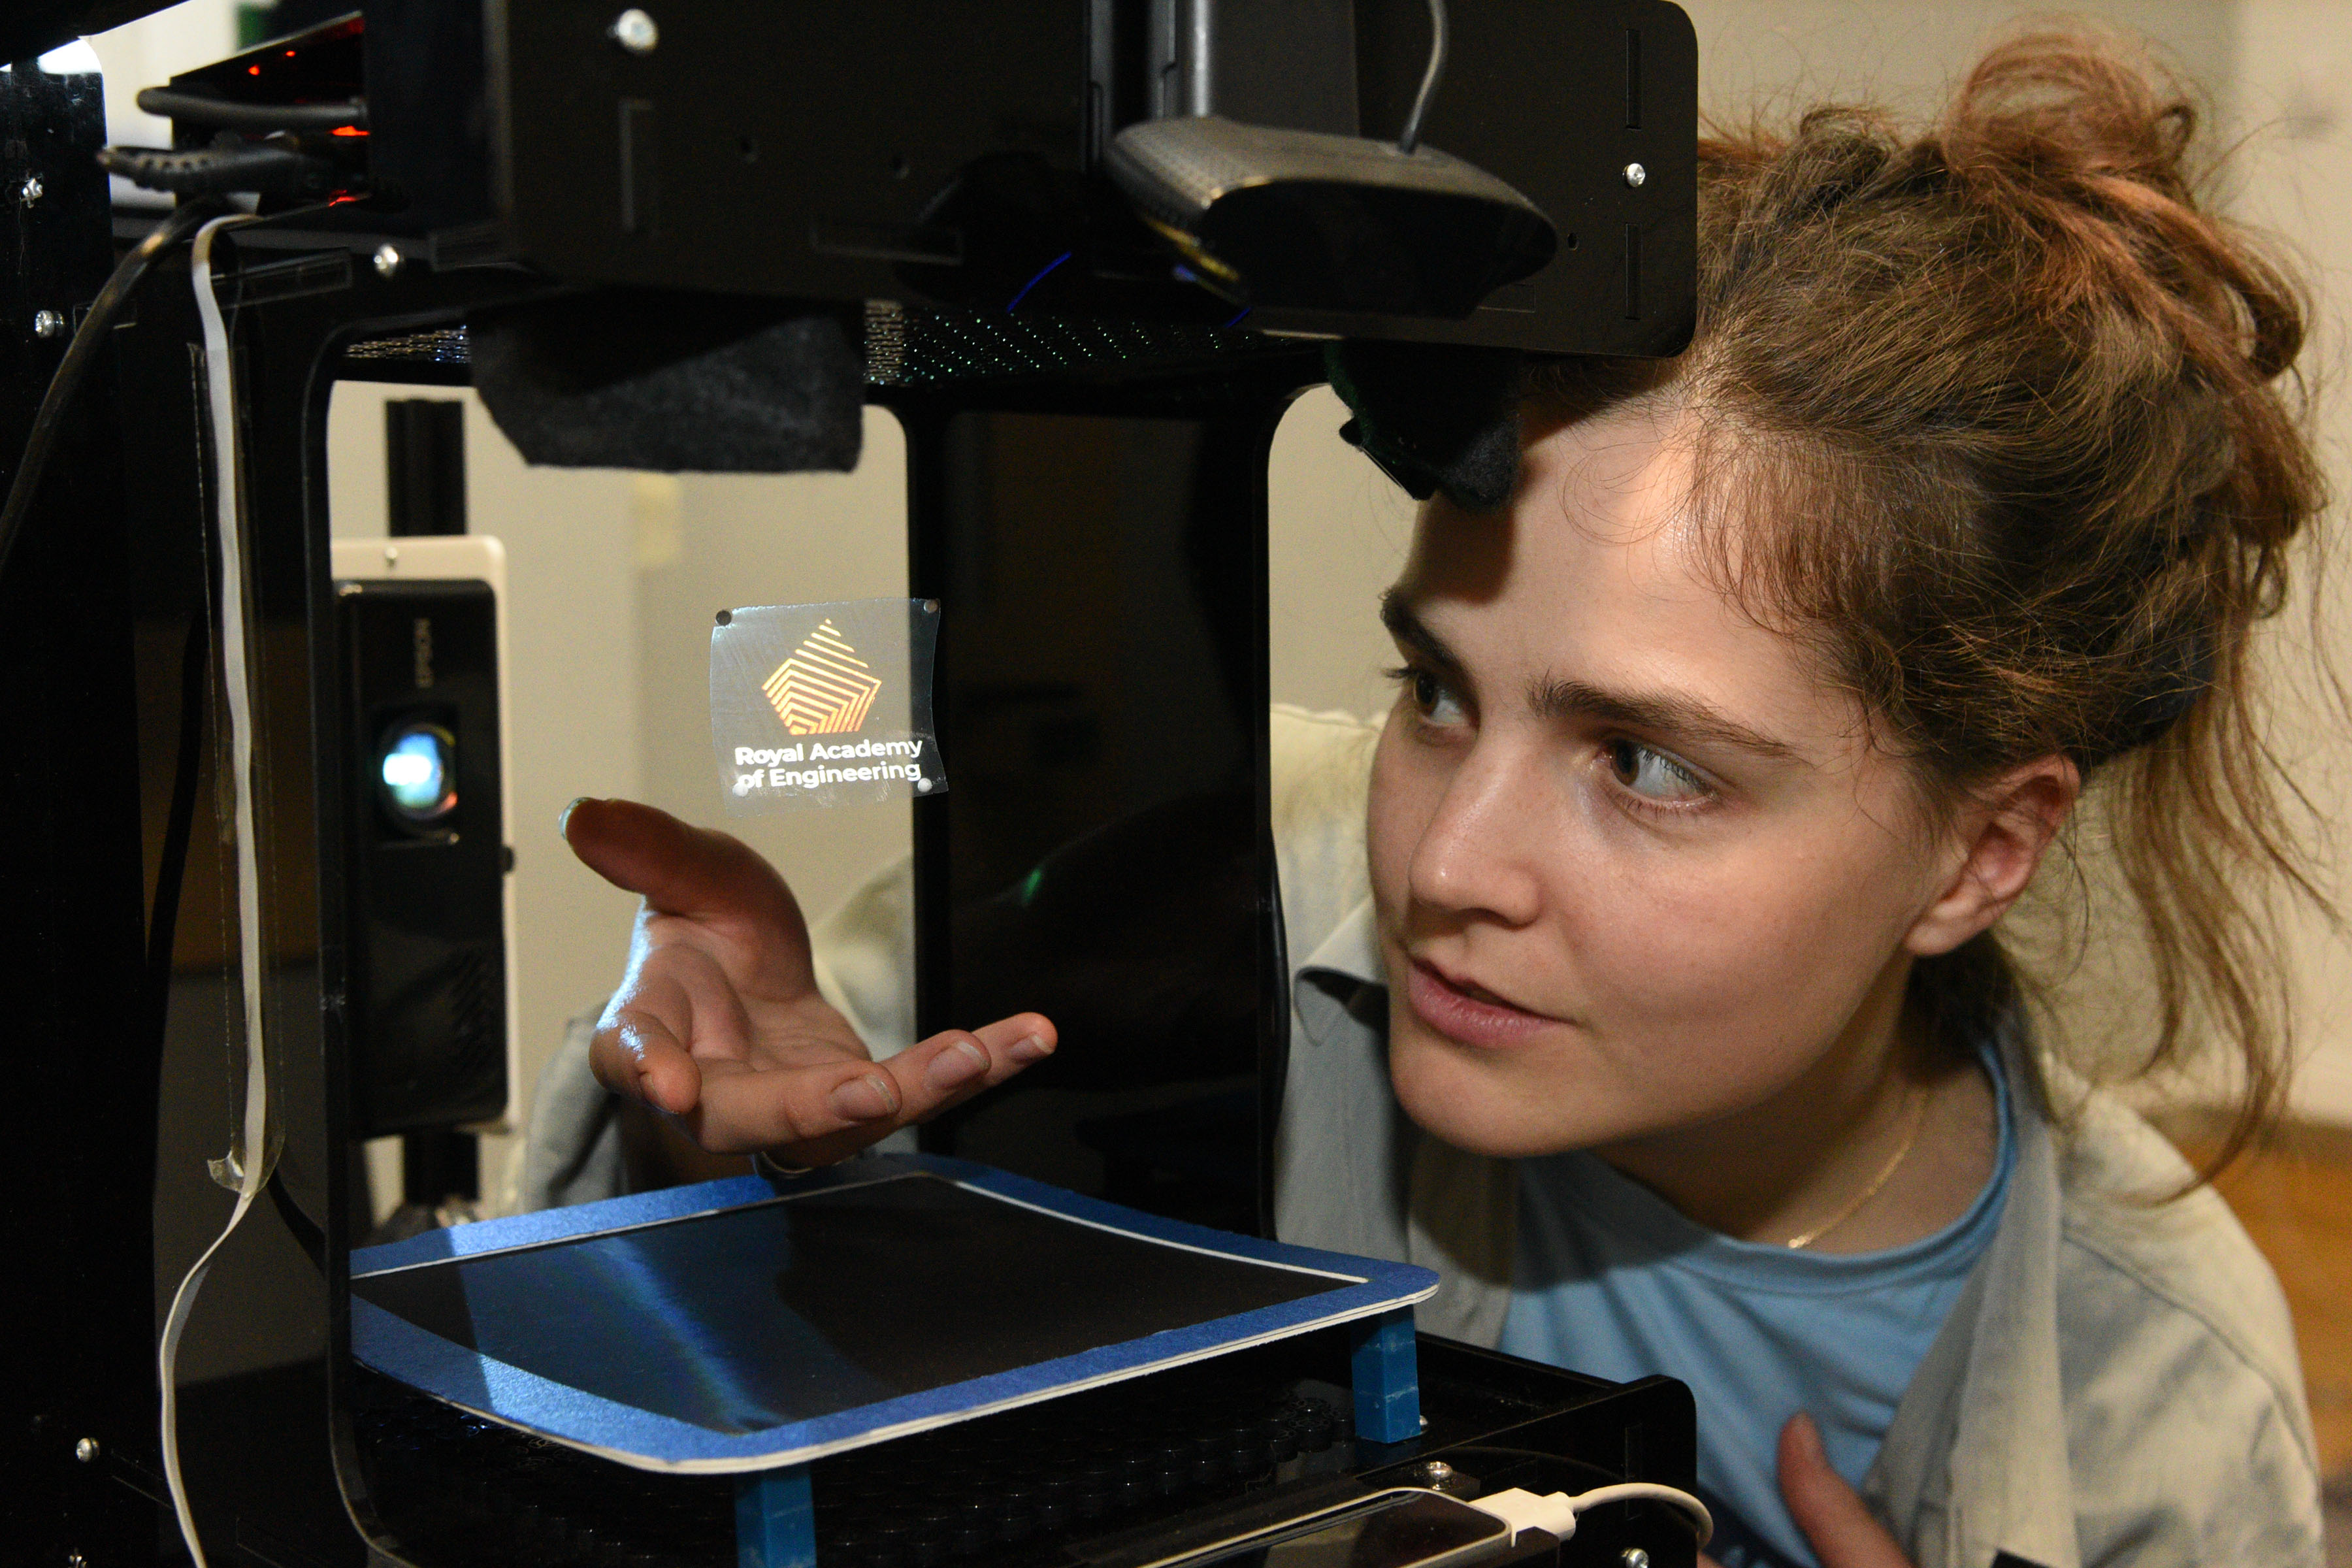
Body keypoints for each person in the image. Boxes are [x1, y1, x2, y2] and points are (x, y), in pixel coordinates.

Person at [534, 34, 2329, 1568]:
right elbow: (759, 1247)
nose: (1444, 865)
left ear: (1982, 851)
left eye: (1644, 764)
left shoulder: (2156, 1409)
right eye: (1438, 692)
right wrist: (712, 1179)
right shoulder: (1212, 883)